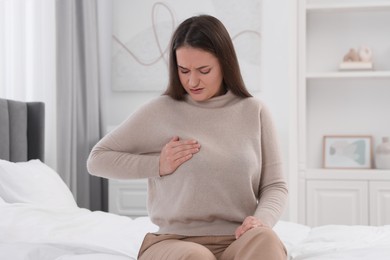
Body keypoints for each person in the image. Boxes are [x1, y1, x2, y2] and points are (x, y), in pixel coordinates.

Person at [87, 14, 288, 260]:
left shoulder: (254, 111)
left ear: (225, 64)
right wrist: (157, 165)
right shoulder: (160, 110)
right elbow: (97, 159)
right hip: (175, 242)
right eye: (184, 70)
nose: (192, 81)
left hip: (238, 239)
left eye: (204, 70)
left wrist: (261, 220)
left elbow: (275, 185)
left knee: (266, 239)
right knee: (197, 257)